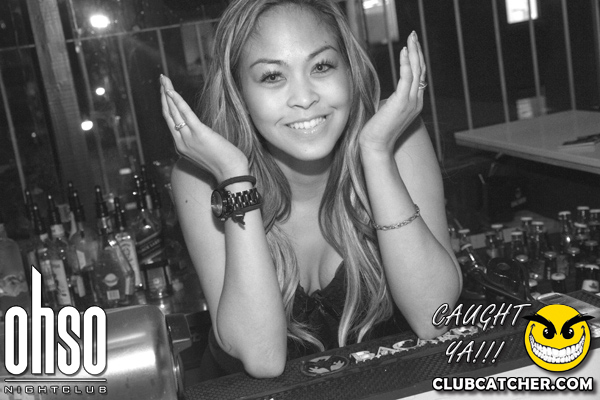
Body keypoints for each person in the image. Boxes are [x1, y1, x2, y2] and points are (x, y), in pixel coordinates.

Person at [160, 0, 462, 380]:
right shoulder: (200, 177)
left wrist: (376, 153)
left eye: (321, 66)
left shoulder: (397, 137)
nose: (304, 98)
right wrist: (235, 179)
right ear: (240, 93)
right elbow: (263, 358)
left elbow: (433, 317)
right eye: (272, 76)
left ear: (350, 71)